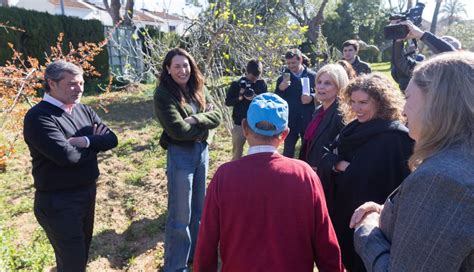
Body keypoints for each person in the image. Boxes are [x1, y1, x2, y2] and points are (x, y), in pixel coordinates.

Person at [193, 93, 343, 272]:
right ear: (285, 134)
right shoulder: (305, 175)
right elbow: (326, 244)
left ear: (245, 128)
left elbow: (206, 243)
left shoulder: (224, 176)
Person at [352, 52, 474, 271]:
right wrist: (389, 214)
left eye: (408, 98)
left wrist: (367, 231)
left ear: (437, 103)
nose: (403, 110)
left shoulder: (442, 179)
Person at [23, 60, 118, 272]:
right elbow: (67, 157)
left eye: (82, 83)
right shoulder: (38, 117)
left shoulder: (83, 110)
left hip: (86, 193)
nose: (80, 89)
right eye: (72, 84)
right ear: (52, 83)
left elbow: (111, 139)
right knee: (73, 262)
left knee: (79, 256)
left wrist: (84, 141)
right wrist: (94, 140)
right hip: (59, 202)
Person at [317, 73, 414, 272]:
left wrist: (345, 168)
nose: (356, 108)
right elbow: (326, 155)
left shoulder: (395, 137)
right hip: (345, 216)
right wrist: (340, 166)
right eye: (352, 102)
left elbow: (388, 181)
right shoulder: (352, 129)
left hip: (375, 226)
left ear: (381, 102)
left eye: (363, 102)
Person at [153, 48, 221, 271]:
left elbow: (217, 116)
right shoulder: (164, 94)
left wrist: (196, 118)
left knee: (199, 209)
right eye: (177, 66)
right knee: (180, 214)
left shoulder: (198, 87)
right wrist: (203, 128)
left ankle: (194, 256)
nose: (183, 70)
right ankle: (175, 266)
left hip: (202, 152)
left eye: (186, 65)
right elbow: (178, 131)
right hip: (181, 155)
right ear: (168, 69)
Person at [299, 64, 348, 172]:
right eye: (319, 82)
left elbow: (346, 151)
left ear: (339, 87)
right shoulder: (318, 110)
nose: (320, 87)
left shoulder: (342, 113)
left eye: (327, 83)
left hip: (327, 176)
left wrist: (328, 166)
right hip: (310, 170)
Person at [391, 20, 456, 91]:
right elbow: (401, 62)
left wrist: (421, 35)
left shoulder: (461, 74)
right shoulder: (429, 71)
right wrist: (398, 39)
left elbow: (451, 56)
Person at [275, 48, 316, 158]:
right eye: (288, 63)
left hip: (308, 119)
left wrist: (312, 97)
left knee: (307, 151)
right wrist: (280, 89)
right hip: (290, 120)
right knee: (288, 151)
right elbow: (276, 100)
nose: (291, 66)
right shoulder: (282, 79)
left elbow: (323, 95)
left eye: (293, 62)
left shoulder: (313, 76)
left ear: (301, 60)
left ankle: (305, 173)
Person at [225, 59, 267, 160]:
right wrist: (240, 98)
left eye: (257, 77)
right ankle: (235, 173)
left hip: (256, 123)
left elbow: (265, 101)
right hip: (239, 123)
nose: (255, 80)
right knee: (237, 153)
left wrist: (255, 97)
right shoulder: (237, 84)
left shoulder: (261, 84)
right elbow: (228, 102)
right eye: (253, 77)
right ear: (247, 72)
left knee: (258, 153)